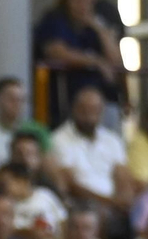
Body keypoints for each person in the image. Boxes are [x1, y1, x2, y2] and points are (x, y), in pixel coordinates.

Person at [32, 0, 123, 126]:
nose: (83, 5)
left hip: (101, 97)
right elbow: (56, 51)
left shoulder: (94, 26)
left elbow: (115, 60)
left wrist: (99, 29)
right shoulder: (55, 19)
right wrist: (96, 62)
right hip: (64, 98)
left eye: (89, 0)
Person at [50, 86, 133, 215]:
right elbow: (71, 185)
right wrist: (110, 202)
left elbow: (122, 176)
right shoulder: (58, 139)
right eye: (84, 109)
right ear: (74, 109)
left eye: (94, 110)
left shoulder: (112, 140)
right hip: (81, 204)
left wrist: (125, 200)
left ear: (102, 111)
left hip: (114, 204)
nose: (89, 115)